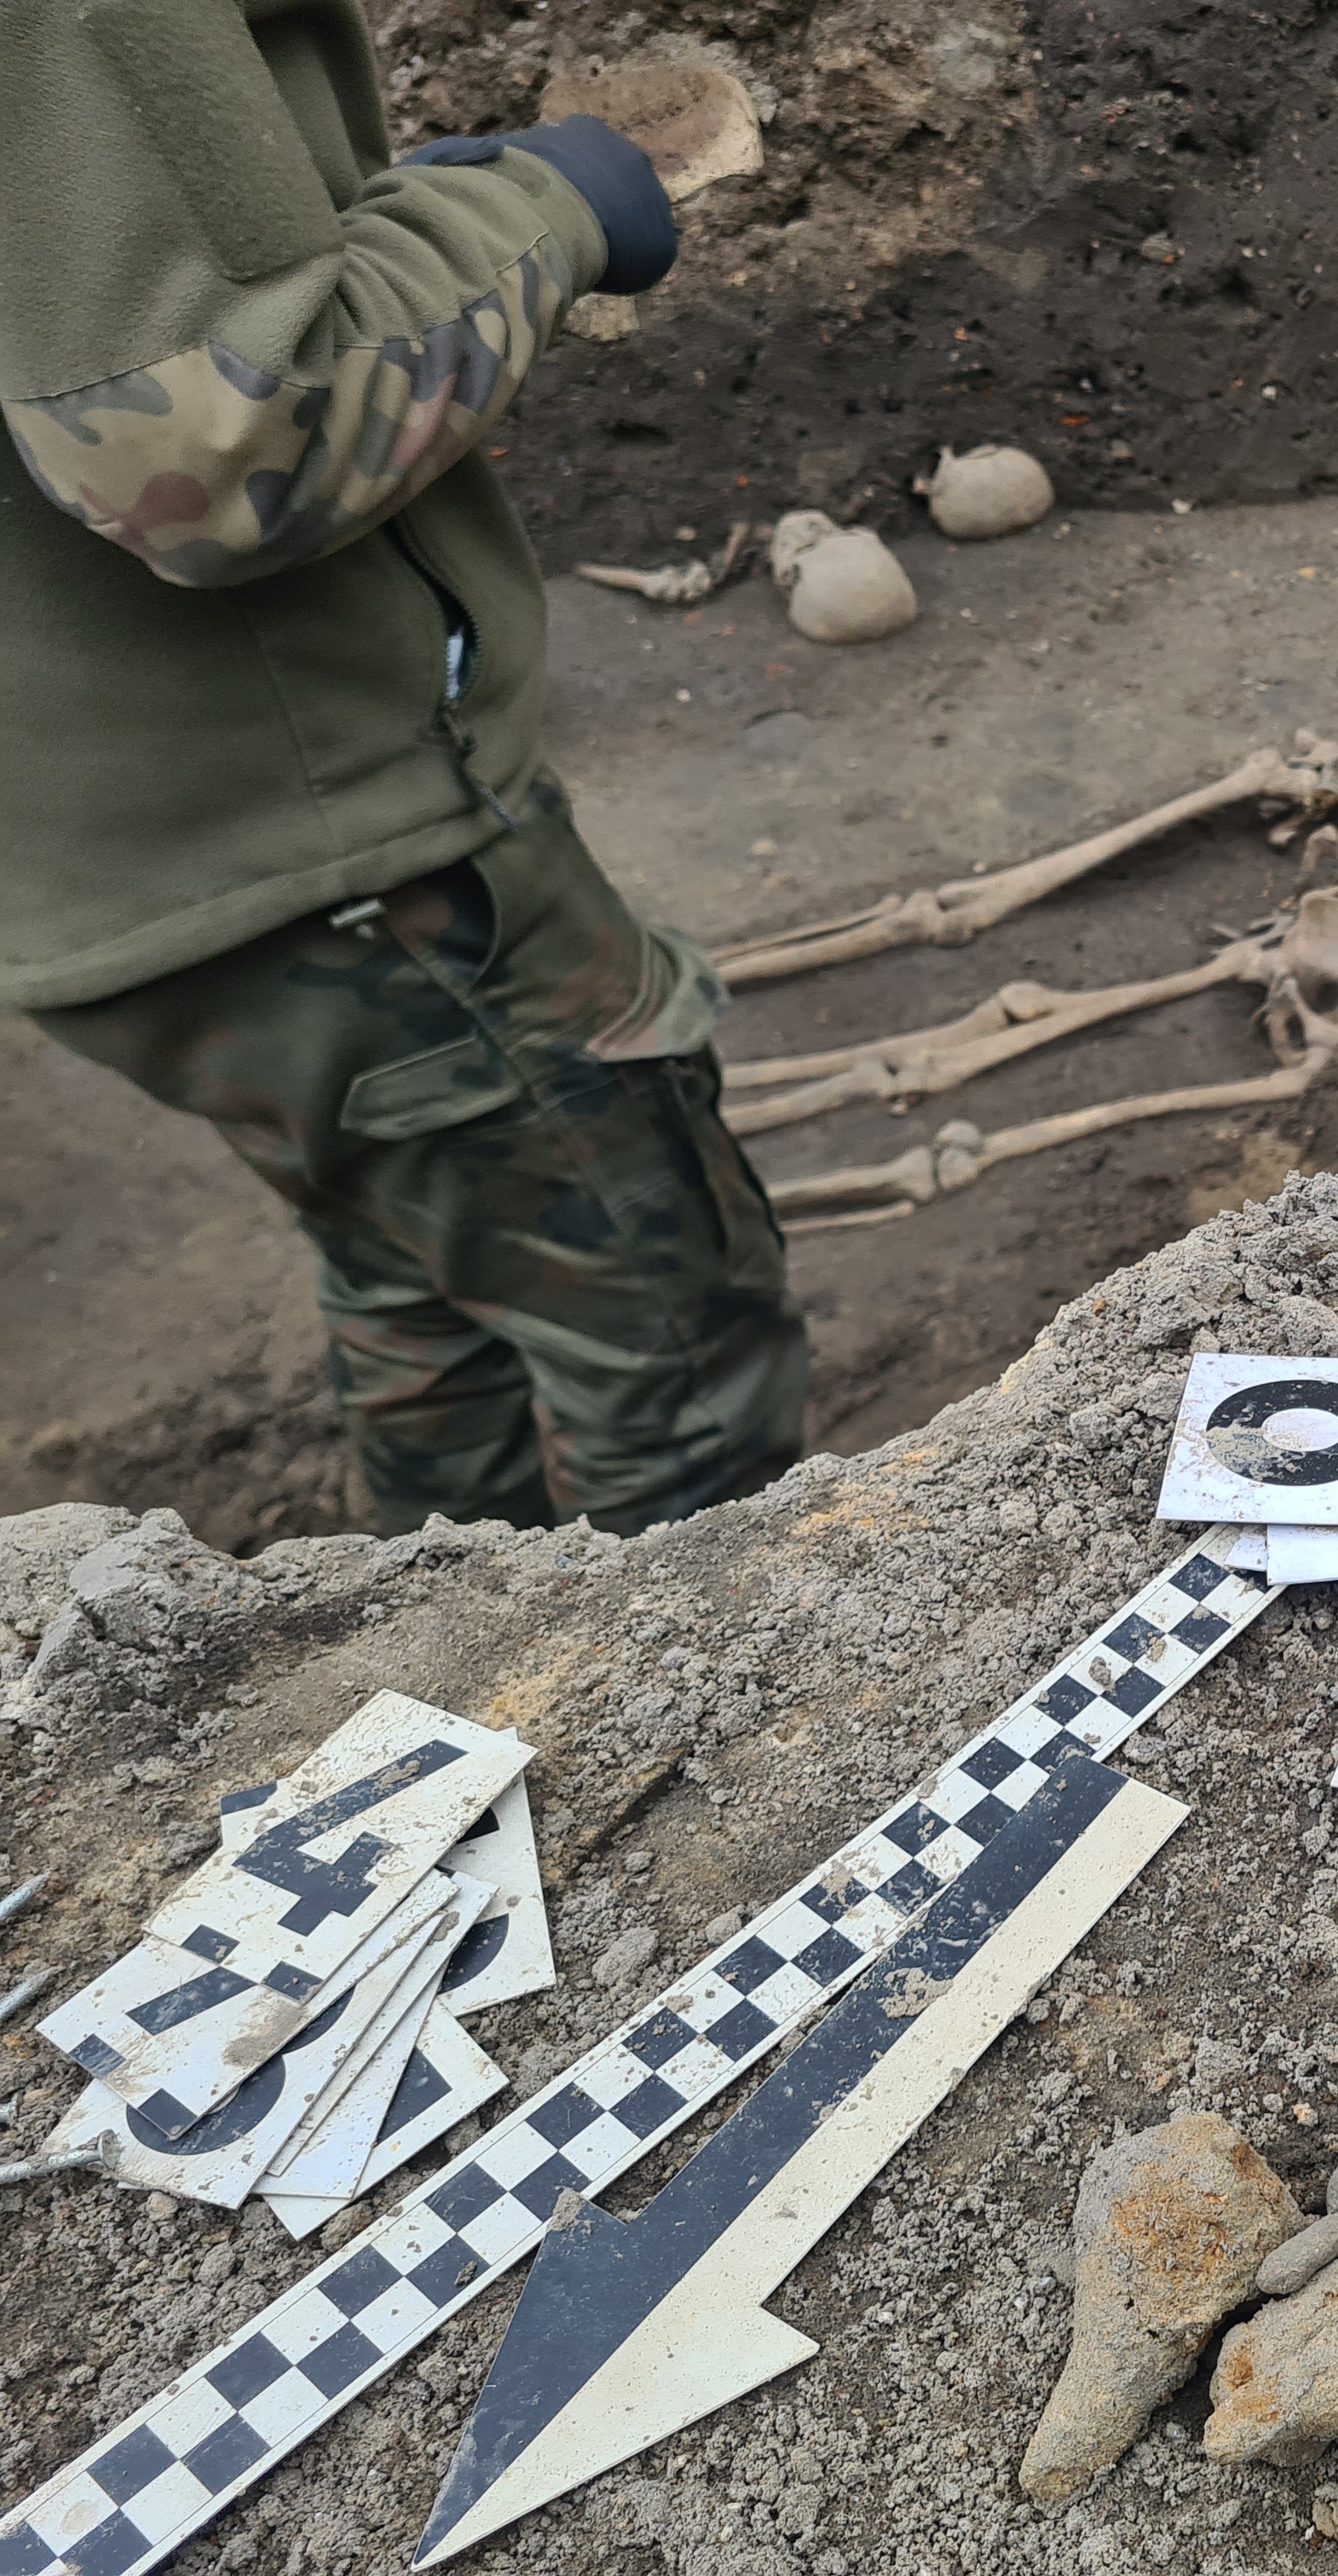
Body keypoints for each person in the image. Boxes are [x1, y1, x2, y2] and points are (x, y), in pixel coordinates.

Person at [1, 0, 805, 1536]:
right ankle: (702, 1682)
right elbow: (208, 455)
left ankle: (434, 1650)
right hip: (342, 858)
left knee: (418, 1277)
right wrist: (544, 205)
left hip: (134, 874)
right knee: (677, 1348)